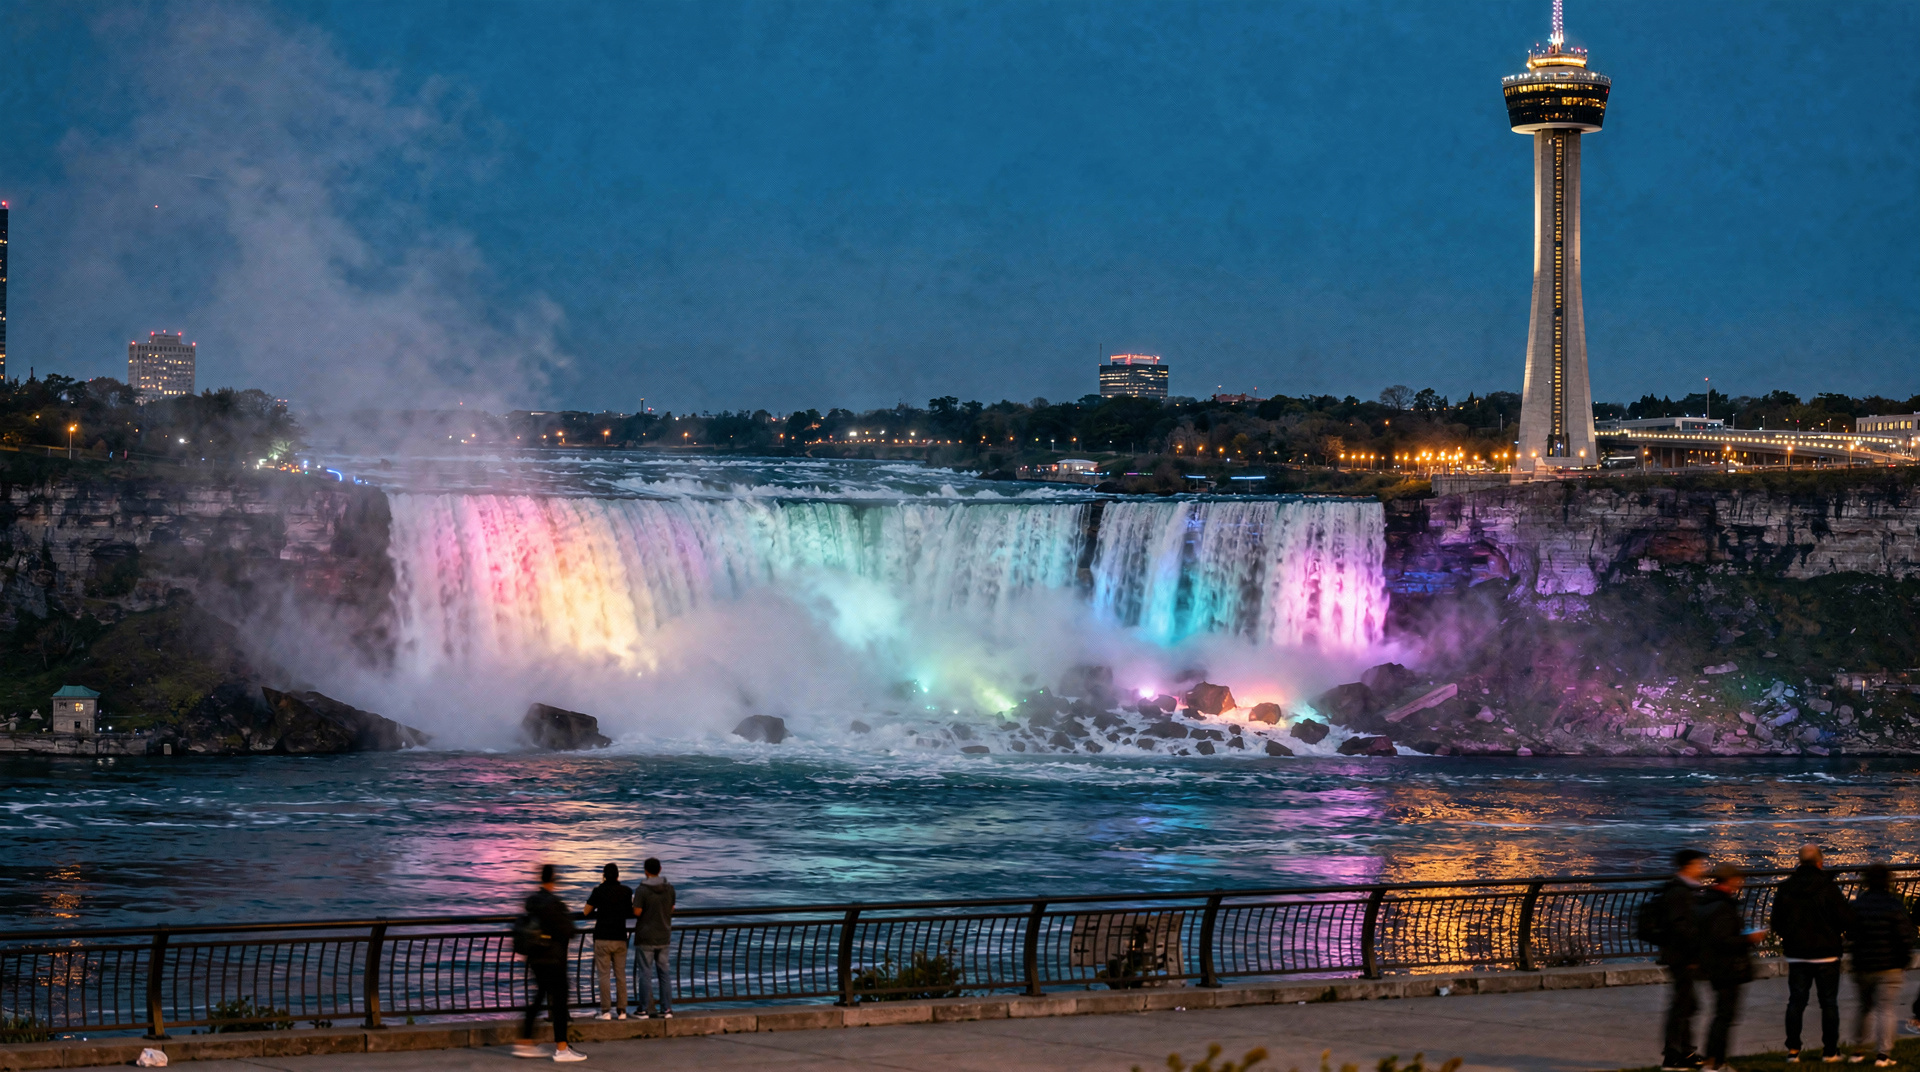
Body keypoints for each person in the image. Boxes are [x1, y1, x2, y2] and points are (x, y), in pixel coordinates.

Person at [1771, 844, 1852, 1062]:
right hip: (1827, 953)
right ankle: (1830, 1051)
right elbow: (1844, 918)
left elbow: (1776, 921)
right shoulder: (1829, 888)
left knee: (1796, 1002)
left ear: (1799, 862)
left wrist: (1790, 936)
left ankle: (1793, 1051)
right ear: (1820, 863)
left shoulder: (1786, 888)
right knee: (1829, 1003)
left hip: (1797, 954)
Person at [1697, 864, 1766, 1072]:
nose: (1741, 883)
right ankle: (1714, 1062)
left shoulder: (1707, 902)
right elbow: (1724, 940)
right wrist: (1749, 938)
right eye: (1739, 879)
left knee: (1722, 1015)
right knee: (1724, 1016)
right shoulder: (1723, 906)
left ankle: (1715, 1060)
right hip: (1727, 967)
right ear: (1731, 880)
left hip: (1715, 965)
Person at [514, 864, 586, 1062]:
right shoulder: (554, 904)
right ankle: (562, 1048)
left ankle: (525, 1042)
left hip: (535, 958)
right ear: (553, 880)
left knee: (539, 998)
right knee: (560, 1001)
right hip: (553, 959)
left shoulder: (533, 902)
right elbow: (568, 930)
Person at [1847, 863, 1914, 1068]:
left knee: (1864, 1008)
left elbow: (1851, 934)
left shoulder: (1858, 904)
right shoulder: (1894, 905)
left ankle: (1858, 1050)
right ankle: (1883, 1055)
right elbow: (1906, 936)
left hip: (1863, 965)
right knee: (1885, 1009)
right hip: (1890, 965)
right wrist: (1904, 960)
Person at [1655, 849, 1711, 1071]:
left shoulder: (1682, 889)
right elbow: (1681, 927)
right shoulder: (1680, 892)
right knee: (1683, 1006)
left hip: (1681, 956)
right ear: (1689, 866)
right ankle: (1673, 1055)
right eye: (1699, 864)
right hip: (1682, 957)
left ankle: (1685, 1052)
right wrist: (1693, 953)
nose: (1703, 868)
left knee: (1686, 1004)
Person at [583, 863, 635, 1020]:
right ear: (618, 876)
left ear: (604, 876)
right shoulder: (626, 891)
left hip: (602, 937)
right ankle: (622, 1010)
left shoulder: (598, 891)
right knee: (620, 975)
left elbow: (586, 911)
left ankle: (606, 1011)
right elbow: (630, 910)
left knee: (604, 976)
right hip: (620, 937)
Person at [633, 857, 677, 1020]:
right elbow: (671, 908)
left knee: (645, 974)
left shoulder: (642, 889)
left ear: (646, 871)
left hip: (646, 937)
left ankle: (643, 1009)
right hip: (664, 936)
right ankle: (667, 1009)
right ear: (660, 869)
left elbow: (637, 912)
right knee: (664, 974)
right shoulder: (669, 888)